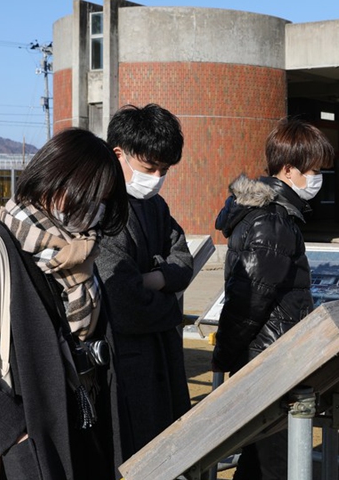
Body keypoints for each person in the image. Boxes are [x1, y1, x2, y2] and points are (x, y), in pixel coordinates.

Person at [0, 128, 129, 480]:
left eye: (103, 201)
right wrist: (13, 430)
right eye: (85, 196)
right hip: (21, 452)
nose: (93, 210)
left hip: (84, 433)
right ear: (50, 180)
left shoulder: (82, 254)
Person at [212, 117, 334, 479]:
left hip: (262, 353)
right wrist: (225, 355)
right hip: (270, 356)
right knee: (275, 460)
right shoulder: (273, 222)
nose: (317, 178)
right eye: (313, 170)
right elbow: (250, 300)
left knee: (258, 456)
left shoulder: (271, 215)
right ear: (287, 169)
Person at [94, 103, 193, 467]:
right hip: (123, 363)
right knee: (134, 457)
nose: (156, 177)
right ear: (119, 153)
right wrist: (170, 302)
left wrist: (153, 277)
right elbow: (123, 302)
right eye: (150, 167)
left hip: (160, 353)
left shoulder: (156, 206)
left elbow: (185, 261)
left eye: (164, 170)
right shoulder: (102, 210)